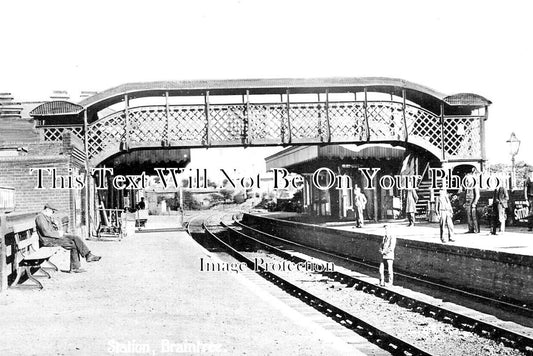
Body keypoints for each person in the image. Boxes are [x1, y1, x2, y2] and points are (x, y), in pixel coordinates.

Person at [35, 203, 101, 273]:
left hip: (53, 237)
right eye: (52, 211)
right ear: (47, 209)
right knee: (73, 244)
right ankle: (77, 266)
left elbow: (51, 230)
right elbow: (46, 232)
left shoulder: (46, 216)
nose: (53, 213)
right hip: (48, 240)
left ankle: (87, 256)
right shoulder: (40, 217)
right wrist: (58, 234)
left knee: (75, 237)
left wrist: (55, 225)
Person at [464, 168, 480, 233]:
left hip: (473, 202)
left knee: (474, 216)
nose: (467, 181)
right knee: (468, 216)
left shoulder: (475, 185)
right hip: (468, 203)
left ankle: (476, 229)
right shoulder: (467, 187)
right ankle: (470, 229)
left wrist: (474, 203)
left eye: (468, 179)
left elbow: (477, 195)